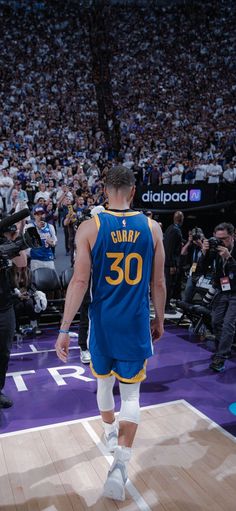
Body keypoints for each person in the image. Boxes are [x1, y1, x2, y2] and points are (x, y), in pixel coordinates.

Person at [55, 165, 166, 501]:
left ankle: (108, 432)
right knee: (131, 397)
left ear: (105, 191)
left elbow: (78, 281)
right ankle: (119, 466)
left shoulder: (90, 227)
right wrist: (159, 319)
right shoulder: (153, 227)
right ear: (133, 191)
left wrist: (63, 329)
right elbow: (158, 282)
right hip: (134, 323)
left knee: (104, 384)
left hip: (102, 324)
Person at [198, 222, 236, 372]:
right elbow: (202, 267)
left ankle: (220, 356)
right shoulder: (215, 249)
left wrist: (230, 258)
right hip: (221, 290)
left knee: (228, 324)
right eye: (218, 239)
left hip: (235, 293)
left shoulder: (230, 251)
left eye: (225, 239)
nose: (221, 242)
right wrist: (205, 252)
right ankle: (223, 349)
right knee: (216, 321)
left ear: (233, 236)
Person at [0, 225, 27, 408]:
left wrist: (13, 238)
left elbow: (22, 263)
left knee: (3, 353)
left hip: (4, 306)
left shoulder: (3, 243)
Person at [163, 211, 184, 313]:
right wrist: (171, 264)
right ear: (181, 219)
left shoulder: (170, 228)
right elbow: (170, 248)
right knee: (169, 284)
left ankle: (166, 304)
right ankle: (166, 306)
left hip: (168, 262)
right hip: (170, 264)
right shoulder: (175, 230)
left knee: (169, 284)